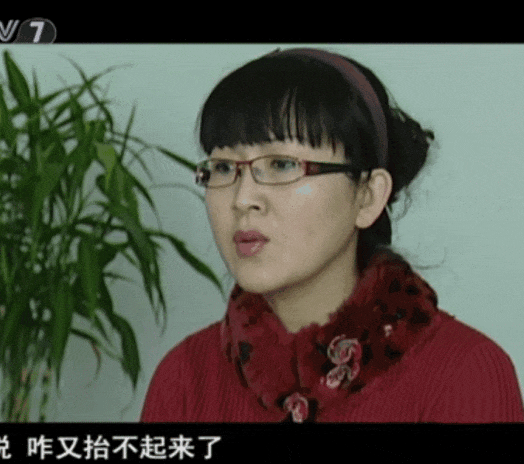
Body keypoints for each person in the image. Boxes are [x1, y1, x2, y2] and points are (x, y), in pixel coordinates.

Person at [140, 48, 524, 422]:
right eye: (223, 168)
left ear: (367, 195)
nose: (242, 199)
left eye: (282, 164)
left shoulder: (464, 373)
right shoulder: (184, 378)